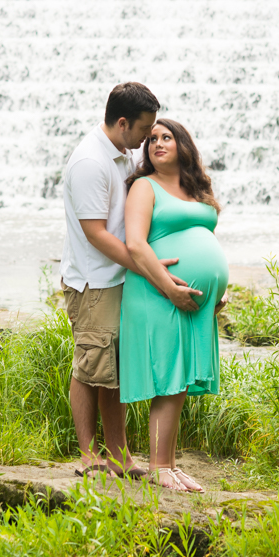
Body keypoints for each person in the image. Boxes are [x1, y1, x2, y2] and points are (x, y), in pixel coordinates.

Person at [60, 84, 202, 478]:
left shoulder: (120, 155)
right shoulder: (90, 162)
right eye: (145, 129)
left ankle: (120, 458)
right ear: (123, 123)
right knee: (90, 366)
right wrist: (149, 268)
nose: (148, 138)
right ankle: (89, 457)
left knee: (111, 373)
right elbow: (97, 234)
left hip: (118, 279)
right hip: (94, 282)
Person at [120, 119, 229, 493]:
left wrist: (217, 288)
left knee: (179, 382)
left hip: (190, 299)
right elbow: (135, 244)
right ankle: (158, 467)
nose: (157, 144)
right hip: (156, 292)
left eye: (166, 137)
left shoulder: (196, 189)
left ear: (184, 144)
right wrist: (169, 289)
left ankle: (168, 465)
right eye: (151, 139)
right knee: (168, 379)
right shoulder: (143, 187)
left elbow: (203, 237)